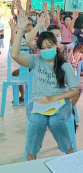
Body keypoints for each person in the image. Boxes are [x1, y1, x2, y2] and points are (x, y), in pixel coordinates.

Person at [11, 11, 78, 160]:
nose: (47, 50)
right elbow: (14, 55)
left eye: (50, 46)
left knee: (56, 121)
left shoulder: (64, 65)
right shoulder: (36, 60)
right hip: (37, 102)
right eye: (43, 48)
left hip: (60, 103)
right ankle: (31, 154)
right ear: (39, 49)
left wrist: (53, 97)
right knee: (37, 122)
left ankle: (68, 150)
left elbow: (74, 92)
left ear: (56, 45)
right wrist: (20, 29)